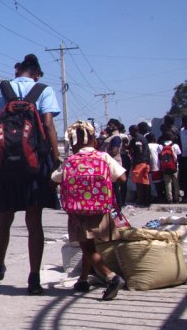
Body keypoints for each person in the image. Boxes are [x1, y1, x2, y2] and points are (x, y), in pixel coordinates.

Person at [0, 53, 61, 295]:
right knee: (33, 221)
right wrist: (56, 157)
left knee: (4, 218)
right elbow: (48, 124)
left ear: (18, 70)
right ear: (37, 73)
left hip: (6, 163)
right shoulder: (43, 90)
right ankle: (34, 277)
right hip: (34, 164)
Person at [51, 121, 126, 300]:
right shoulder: (103, 157)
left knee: (86, 247)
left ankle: (112, 277)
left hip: (79, 214)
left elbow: (53, 180)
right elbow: (122, 178)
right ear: (93, 140)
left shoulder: (70, 161)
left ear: (73, 142)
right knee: (89, 245)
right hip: (101, 210)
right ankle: (83, 279)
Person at [102, 119, 128, 208]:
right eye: (108, 125)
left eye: (111, 125)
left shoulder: (116, 137)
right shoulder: (109, 137)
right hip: (108, 164)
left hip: (113, 164)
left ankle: (118, 206)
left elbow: (114, 152)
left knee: (115, 186)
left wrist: (102, 155)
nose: (108, 127)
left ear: (116, 126)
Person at [156, 131, 181, 203]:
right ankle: (176, 198)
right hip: (175, 166)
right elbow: (179, 154)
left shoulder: (160, 146)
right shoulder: (175, 145)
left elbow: (159, 155)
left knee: (167, 182)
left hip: (165, 166)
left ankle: (169, 199)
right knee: (176, 182)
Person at [129, 130, 151, 207]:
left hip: (139, 162)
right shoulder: (144, 139)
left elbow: (139, 149)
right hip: (146, 161)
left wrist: (135, 158)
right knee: (145, 181)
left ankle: (141, 200)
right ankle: (147, 200)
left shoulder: (136, 139)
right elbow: (148, 151)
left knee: (139, 182)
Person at [148, 132, 164, 203]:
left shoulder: (148, 145)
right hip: (160, 165)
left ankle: (158, 196)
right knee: (160, 182)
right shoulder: (159, 145)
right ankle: (161, 195)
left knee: (155, 183)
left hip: (153, 165)